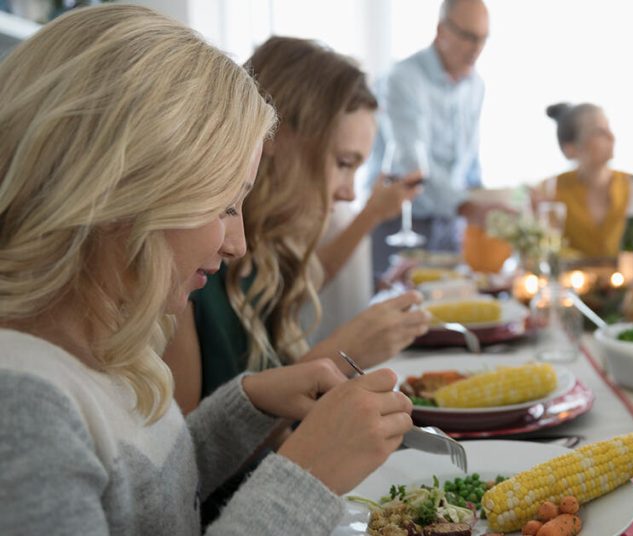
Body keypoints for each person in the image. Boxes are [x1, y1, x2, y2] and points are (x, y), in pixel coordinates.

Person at [0, 5, 412, 534]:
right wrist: (304, 479)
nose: (238, 242)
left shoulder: (103, 348)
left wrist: (244, 408)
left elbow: (151, 499)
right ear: (124, 192)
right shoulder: (22, 409)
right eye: (223, 205)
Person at [367, 0, 497, 277]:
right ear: (441, 31)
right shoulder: (403, 79)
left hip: (449, 226)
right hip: (399, 224)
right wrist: (466, 205)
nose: (477, 48)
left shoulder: (476, 85)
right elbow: (411, 163)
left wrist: (487, 200)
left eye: (483, 38)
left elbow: (469, 160)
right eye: (469, 37)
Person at [536, 102, 633, 259]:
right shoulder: (550, 189)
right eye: (599, 132)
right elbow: (544, 249)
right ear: (570, 148)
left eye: (609, 128)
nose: (611, 137)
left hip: (624, 280)